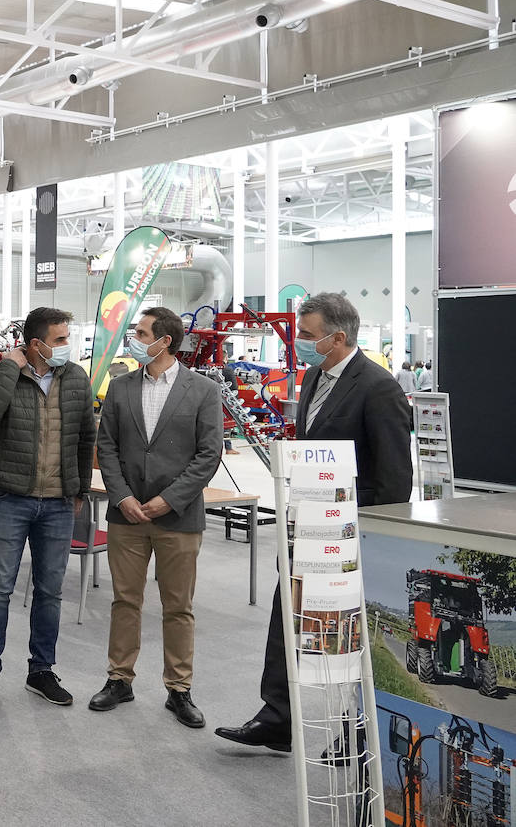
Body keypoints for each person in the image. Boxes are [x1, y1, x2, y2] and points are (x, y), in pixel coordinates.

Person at [215, 292, 412, 752]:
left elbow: (393, 478)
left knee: (353, 635)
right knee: (287, 616)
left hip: (350, 536)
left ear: (338, 337)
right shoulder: (313, 377)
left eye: (306, 334)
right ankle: (277, 719)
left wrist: (370, 539)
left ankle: (357, 732)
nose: (298, 341)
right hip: (306, 524)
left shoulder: (378, 387)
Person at [88, 307, 223, 730]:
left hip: (177, 517)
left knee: (177, 606)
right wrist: (122, 495)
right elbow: (105, 447)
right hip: (127, 515)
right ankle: (119, 678)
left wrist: (169, 499)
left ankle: (179, 689)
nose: (134, 337)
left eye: (141, 332)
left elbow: (209, 454)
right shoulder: (121, 388)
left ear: (164, 340)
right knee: (125, 601)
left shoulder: (202, 390)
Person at [0, 306, 95, 708]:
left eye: (66, 338)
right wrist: (10, 366)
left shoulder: (75, 377)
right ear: (36, 343)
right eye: (60, 340)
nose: (67, 346)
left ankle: (41, 670)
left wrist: (79, 489)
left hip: (58, 502)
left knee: (50, 592)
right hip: (12, 497)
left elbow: (84, 437)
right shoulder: (3, 373)